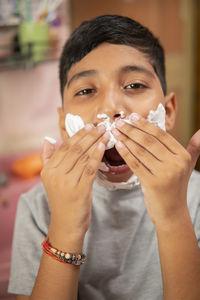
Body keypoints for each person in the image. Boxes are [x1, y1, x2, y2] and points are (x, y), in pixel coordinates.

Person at [8, 15, 200, 300]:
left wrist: (173, 216)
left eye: (134, 85)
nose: (111, 107)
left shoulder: (196, 199)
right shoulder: (39, 208)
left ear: (168, 111)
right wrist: (65, 227)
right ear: (64, 125)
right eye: (86, 90)